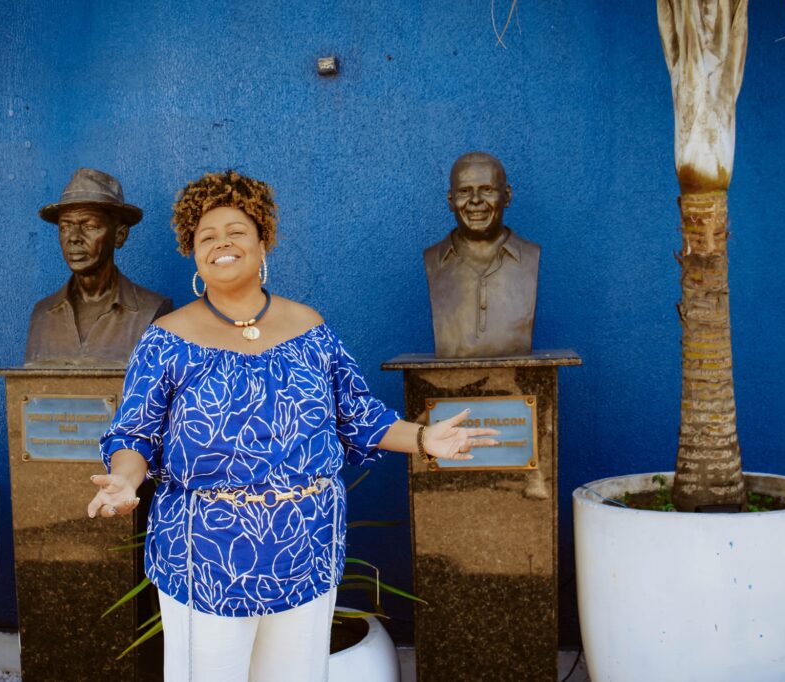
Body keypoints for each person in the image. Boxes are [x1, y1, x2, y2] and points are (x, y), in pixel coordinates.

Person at [88, 170, 498, 681]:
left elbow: (359, 416)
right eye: (205, 237)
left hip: (307, 546)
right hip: (206, 556)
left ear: (264, 242)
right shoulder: (166, 340)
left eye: (236, 231)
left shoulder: (309, 328)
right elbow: (135, 434)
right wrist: (126, 478)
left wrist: (423, 438)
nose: (221, 244)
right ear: (193, 254)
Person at [25, 168, 172, 365]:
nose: (74, 238)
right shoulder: (42, 314)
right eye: (65, 227)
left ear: (119, 235)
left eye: (89, 226)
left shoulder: (152, 310)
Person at [423, 152, 540, 358]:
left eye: (487, 190)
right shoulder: (433, 261)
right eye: (464, 191)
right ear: (451, 200)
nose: (475, 200)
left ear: (507, 196)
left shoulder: (530, 258)